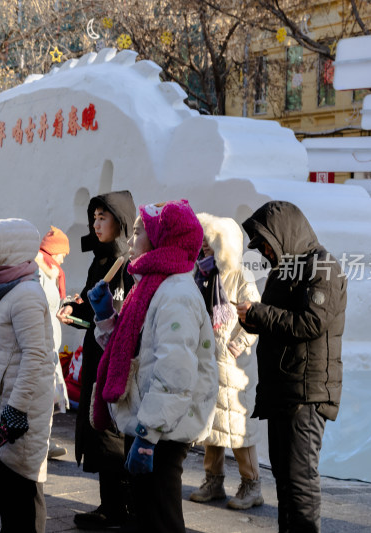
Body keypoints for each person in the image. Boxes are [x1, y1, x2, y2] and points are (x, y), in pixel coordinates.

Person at [87, 199, 218, 533]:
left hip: (161, 428)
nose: (130, 243)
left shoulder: (175, 294)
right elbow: (131, 352)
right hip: (149, 421)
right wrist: (104, 317)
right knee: (147, 516)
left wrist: (147, 436)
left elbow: (175, 374)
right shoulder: (150, 285)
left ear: (162, 238)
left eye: (138, 233)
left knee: (161, 518)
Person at [236, 200, 346, 533]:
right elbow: (274, 319)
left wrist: (258, 314)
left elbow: (311, 322)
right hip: (282, 389)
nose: (265, 251)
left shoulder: (323, 267)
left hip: (307, 393)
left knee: (300, 479)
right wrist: (249, 319)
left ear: (284, 234)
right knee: (284, 478)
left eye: (266, 243)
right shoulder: (284, 271)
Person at [0, 218, 56, 533]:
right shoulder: (1, 290)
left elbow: (35, 355)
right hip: (0, 415)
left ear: (13, 248)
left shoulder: (26, 293)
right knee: (8, 508)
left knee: (22, 508)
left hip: (16, 418)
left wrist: (15, 408)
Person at [56, 191, 136, 530]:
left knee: (112, 432)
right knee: (98, 426)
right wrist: (74, 311)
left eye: (103, 217)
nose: (96, 223)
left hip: (113, 359)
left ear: (120, 222)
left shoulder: (124, 262)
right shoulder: (101, 258)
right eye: (95, 216)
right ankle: (110, 504)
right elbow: (94, 308)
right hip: (96, 354)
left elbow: (119, 314)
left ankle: (120, 507)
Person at [190, 213, 263, 510]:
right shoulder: (203, 274)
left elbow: (256, 313)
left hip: (234, 366)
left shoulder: (239, 276)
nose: (205, 246)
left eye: (211, 241)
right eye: (204, 240)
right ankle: (213, 480)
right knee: (212, 425)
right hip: (209, 362)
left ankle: (252, 484)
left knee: (238, 428)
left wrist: (240, 342)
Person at [34, 226, 71, 459]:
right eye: (62, 252)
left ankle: (42, 442)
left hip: (49, 342)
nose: (64, 258)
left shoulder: (51, 271)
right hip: (41, 342)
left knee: (46, 395)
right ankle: (39, 443)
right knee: (41, 395)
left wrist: (68, 304)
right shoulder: (41, 271)